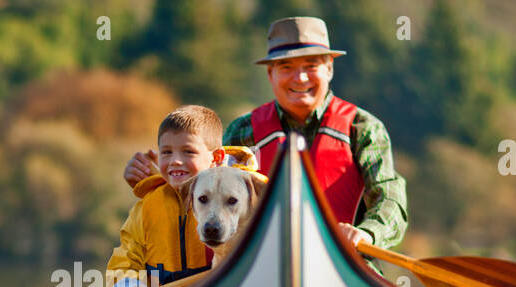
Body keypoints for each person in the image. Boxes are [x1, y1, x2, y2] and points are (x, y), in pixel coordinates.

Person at [124, 16, 408, 252]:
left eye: (311, 66)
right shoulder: (242, 131)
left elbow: (389, 197)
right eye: (286, 67)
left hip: (348, 263)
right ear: (270, 74)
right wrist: (154, 180)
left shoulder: (364, 128)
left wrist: (367, 234)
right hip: (259, 267)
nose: (300, 78)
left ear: (329, 69)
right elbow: (204, 192)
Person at [105, 105, 221, 287]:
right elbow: (124, 261)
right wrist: (128, 286)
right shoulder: (146, 208)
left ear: (216, 158)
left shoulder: (235, 199)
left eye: (188, 152)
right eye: (166, 152)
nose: (176, 161)